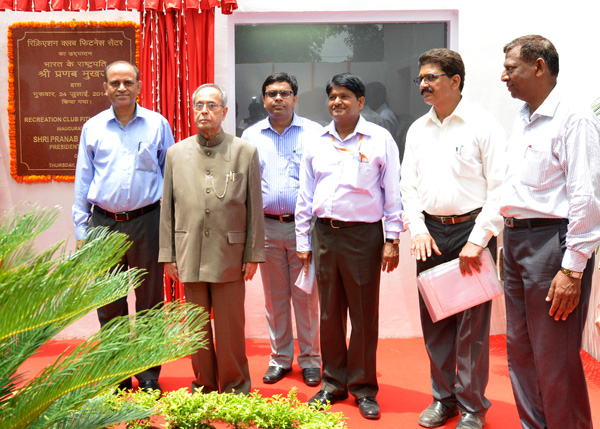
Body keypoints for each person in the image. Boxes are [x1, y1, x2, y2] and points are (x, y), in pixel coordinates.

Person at [400, 49, 505, 429]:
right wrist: (417, 227)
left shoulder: (483, 125)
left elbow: (500, 188)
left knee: (472, 329)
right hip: (430, 234)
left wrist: (478, 239)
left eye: (431, 78)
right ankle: (443, 400)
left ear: (455, 80)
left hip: (470, 232)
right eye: (421, 79)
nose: (424, 85)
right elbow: (406, 185)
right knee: (435, 322)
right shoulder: (417, 129)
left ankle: (473, 407)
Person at [500, 35, 600, 428]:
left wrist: (572, 269)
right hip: (515, 241)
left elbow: (586, 198)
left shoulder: (573, 119)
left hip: (551, 246)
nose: (503, 76)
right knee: (520, 351)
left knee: (554, 356)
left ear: (539, 66)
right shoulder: (522, 118)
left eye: (511, 68)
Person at [295, 73, 404, 420]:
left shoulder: (379, 138)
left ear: (360, 102)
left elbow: (392, 192)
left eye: (345, 96)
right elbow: (305, 194)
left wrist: (392, 238)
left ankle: (363, 388)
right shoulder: (316, 140)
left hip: (363, 237)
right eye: (333, 97)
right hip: (324, 235)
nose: (337, 102)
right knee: (328, 313)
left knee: (362, 315)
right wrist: (303, 240)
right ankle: (332, 383)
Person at [73, 60, 174, 394]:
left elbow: (170, 178)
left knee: (149, 303)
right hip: (103, 224)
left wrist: (170, 229)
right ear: (105, 87)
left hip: (147, 221)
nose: (121, 88)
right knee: (110, 303)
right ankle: (116, 374)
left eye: (128, 82)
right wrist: (81, 230)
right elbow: (83, 180)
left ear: (139, 86)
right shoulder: (93, 127)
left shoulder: (158, 125)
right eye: (114, 83)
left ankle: (148, 376)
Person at [158, 83, 265, 395]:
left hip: (229, 253)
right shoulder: (175, 154)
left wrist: (252, 254)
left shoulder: (244, 152)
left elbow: (254, 206)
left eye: (211, 106)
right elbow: (168, 208)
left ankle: (235, 387)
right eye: (198, 105)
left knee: (231, 327)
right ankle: (204, 384)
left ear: (224, 112)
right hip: (188, 250)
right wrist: (169, 254)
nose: (204, 111)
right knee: (196, 326)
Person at [241, 72, 322, 387]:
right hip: (268, 229)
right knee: (275, 299)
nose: (278, 99)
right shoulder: (250, 136)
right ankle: (280, 359)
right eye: (272, 93)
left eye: (284, 93)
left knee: (306, 297)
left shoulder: (314, 133)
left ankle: (311, 360)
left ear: (295, 99)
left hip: (305, 229)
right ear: (263, 99)